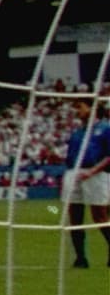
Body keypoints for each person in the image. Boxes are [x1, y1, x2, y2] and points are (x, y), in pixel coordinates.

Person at [62, 97, 110, 269]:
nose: (78, 110)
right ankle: (80, 258)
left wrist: (93, 171)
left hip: (95, 174)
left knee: (100, 217)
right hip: (74, 173)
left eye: (81, 106)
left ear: (93, 108)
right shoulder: (77, 132)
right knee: (74, 218)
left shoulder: (105, 128)